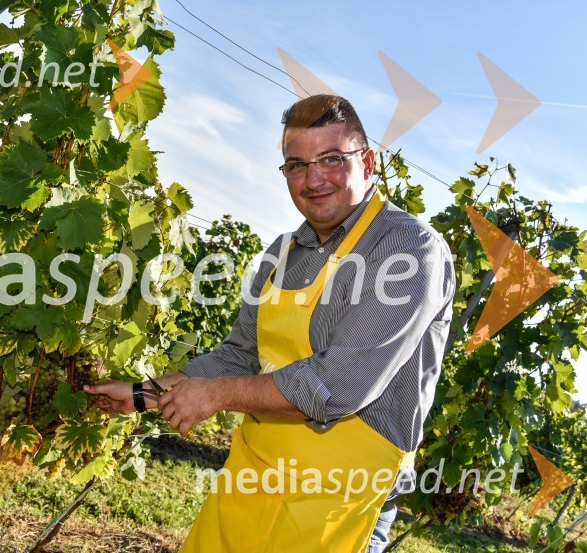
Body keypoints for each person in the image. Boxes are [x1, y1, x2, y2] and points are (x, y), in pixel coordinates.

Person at [85, 94, 455, 552]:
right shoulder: (283, 253)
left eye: (332, 159)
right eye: (296, 165)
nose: (314, 179)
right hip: (252, 474)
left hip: (340, 502)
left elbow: (336, 387)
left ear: (369, 162)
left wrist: (216, 396)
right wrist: (145, 394)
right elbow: (239, 355)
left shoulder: (408, 250)